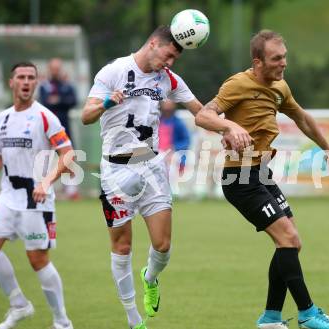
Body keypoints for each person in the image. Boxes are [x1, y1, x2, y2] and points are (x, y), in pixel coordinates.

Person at [195, 30, 329, 329]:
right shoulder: (238, 83)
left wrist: (328, 149)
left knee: (291, 243)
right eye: (277, 58)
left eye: (284, 57)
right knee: (287, 239)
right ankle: (308, 313)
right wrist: (228, 127)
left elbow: (302, 118)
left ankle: (271, 318)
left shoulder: (280, 87)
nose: (284, 63)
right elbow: (203, 115)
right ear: (258, 62)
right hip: (240, 178)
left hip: (261, 175)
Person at [81, 26, 202, 329]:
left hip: (150, 166)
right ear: (153, 44)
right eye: (169, 55)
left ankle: (150, 277)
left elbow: (199, 110)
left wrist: (228, 126)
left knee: (162, 245)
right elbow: (86, 115)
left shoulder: (169, 79)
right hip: (115, 170)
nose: (170, 63)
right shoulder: (114, 71)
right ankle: (134, 319)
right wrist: (107, 102)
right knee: (122, 247)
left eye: (176, 58)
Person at [0, 62, 74, 329]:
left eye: (31, 78)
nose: (26, 82)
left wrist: (47, 182)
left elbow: (68, 155)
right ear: (12, 82)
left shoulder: (45, 117)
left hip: (36, 199)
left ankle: (62, 322)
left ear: (35, 83)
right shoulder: (4, 118)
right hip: (8, 196)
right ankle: (19, 305)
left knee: (38, 260)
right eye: (21, 77)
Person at [39, 58, 79, 200]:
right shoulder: (44, 86)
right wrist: (61, 101)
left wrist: (57, 100)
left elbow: (73, 101)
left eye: (58, 68)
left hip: (64, 126)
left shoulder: (67, 86)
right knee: (45, 156)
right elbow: (44, 103)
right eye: (53, 68)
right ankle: (42, 186)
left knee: (68, 156)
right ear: (49, 69)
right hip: (47, 128)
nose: (55, 71)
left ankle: (71, 190)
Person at [159, 99, 190, 174]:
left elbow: (186, 141)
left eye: (169, 108)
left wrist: (174, 147)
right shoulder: (157, 121)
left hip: (173, 154)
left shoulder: (178, 123)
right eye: (166, 107)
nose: (167, 110)